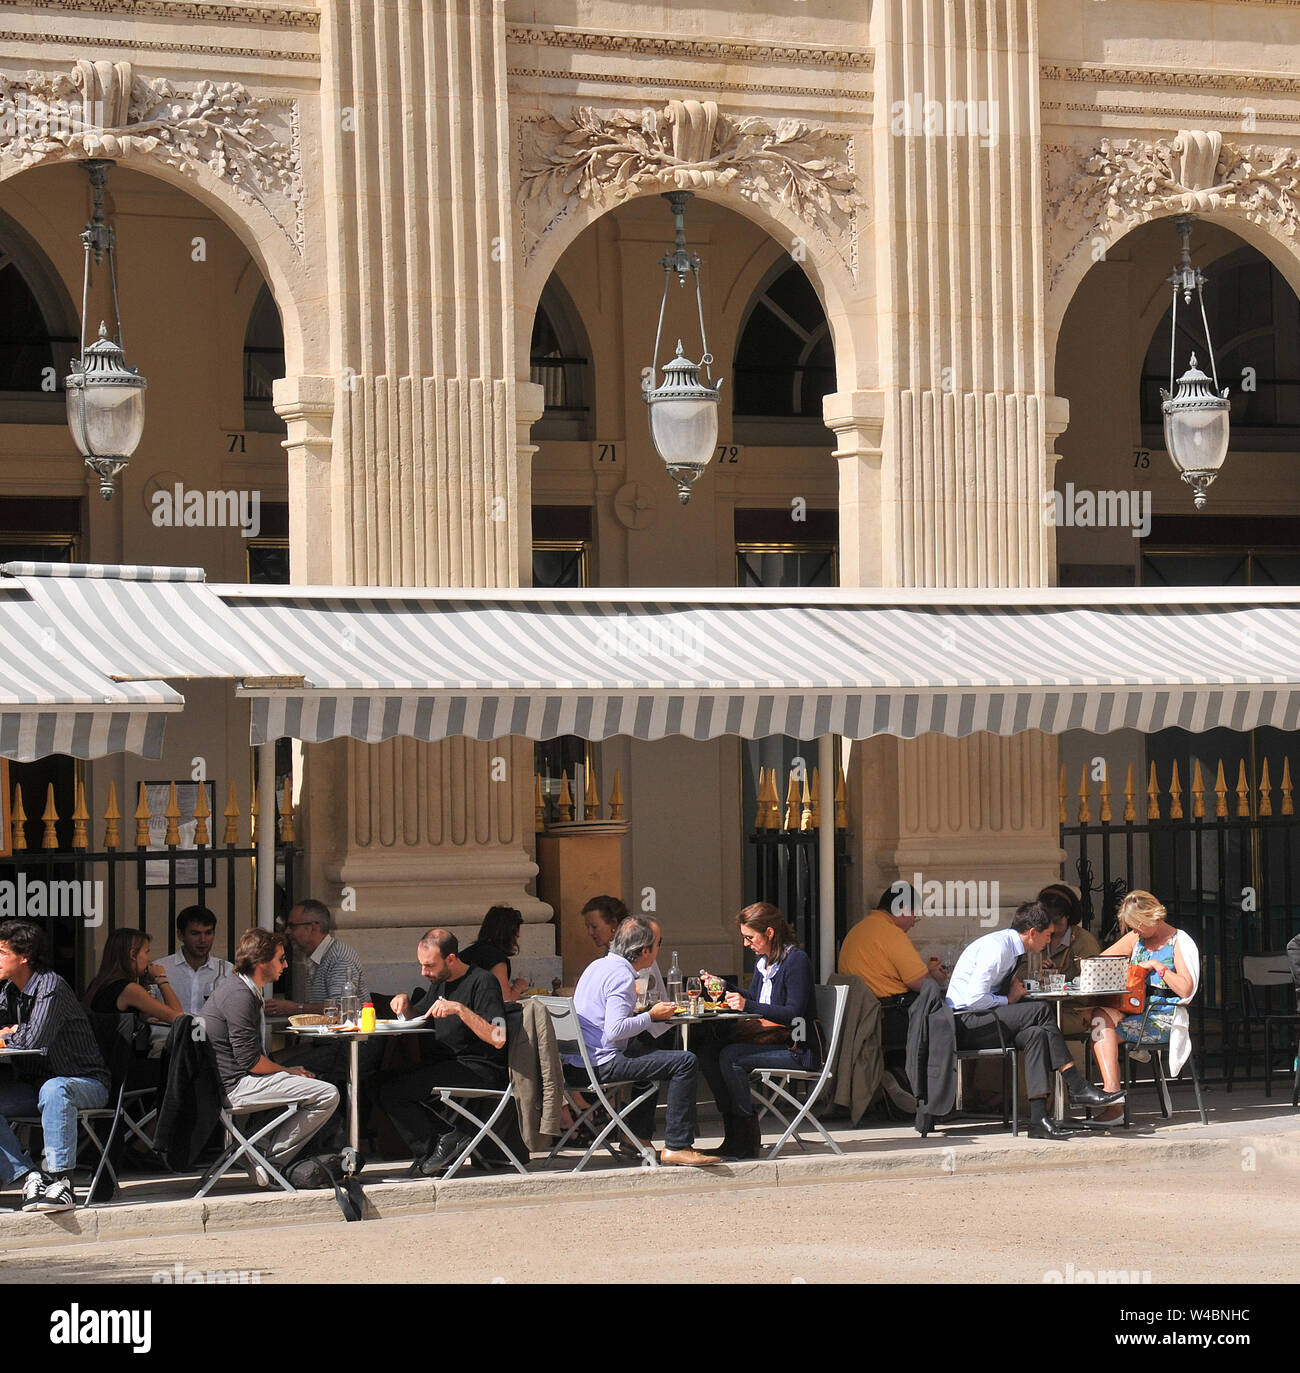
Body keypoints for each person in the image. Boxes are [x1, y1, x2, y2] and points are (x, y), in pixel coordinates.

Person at [945, 901, 1124, 1139]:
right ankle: (1077, 1085)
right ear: (1032, 933)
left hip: (985, 1020)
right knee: (1039, 1010)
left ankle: (1039, 1118)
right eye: (1047, 935)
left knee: (1037, 1035)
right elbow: (974, 999)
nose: (1049, 941)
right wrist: (1008, 1000)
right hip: (966, 1023)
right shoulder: (998, 948)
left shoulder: (1012, 949)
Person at [566, 916, 717, 1167]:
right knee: (686, 1062)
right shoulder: (622, 977)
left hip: (576, 1066)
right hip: (600, 1065)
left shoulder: (596, 966)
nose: (659, 950)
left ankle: (636, 1137)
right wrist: (651, 1016)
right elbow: (615, 1031)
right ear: (645, 951)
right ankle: (678, 1145)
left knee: (647, 1054)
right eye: (659, 944)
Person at [200, 928, 340, 1185]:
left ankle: (260, 1151)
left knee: (308, 1078)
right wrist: (287, 1072)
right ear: (261, 961)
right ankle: (271, 1160)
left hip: (233, 1081)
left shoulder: (242, 989)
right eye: (281, 959)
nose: (285, 965)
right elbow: (250, 1062)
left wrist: (287, 1071)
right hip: (234, 1087)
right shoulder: (240, 995)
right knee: (327, 1093)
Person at [379, 929, 510, 1175]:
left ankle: (443, 1142)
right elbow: (421, 1017)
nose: (424, 972)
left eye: (429, 966)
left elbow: (498, 1037)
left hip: (479, 1068)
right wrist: (406, 1006)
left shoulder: (482, 982)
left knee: (397, 1090)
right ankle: (438, 1146)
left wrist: (461, 1009)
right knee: (380, 1081)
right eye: (421, 965)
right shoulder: (439, 983)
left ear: (451, 959)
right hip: (446, 1063)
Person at [0, 920, 110, 1213]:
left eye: (1, 953)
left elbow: (32, 1040)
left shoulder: (51, 986)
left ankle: (62, 1183)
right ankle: (29, 1176)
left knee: (55, 1089)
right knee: (45, 1089)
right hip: (36, 1086)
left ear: (23, 957)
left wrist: (8, 1034)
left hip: (84, 1082)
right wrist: (7, 1033)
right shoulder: (9, 990)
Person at [698, 903, 820, 1160]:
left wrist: (747, 1005)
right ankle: (731, 1130)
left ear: (770, 933)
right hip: (770, 1039)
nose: (746, 944)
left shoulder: (795, 961)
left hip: (797, 1047)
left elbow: (793, 1013)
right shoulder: (763, 963)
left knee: (731, 1057)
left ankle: (746, 1134)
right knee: (708, 1052)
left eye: (749, 937)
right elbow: (755, 998)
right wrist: (725, 986)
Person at [1087, 891, 1198, 1127]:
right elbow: (1102, 962)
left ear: (1152, 918)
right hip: (1135, 1010)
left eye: (1137, 926)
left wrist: (1158, 967)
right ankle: (1113, 1097)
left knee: (1108, 1032)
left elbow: (1186, 989)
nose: (1134, 932)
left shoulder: (1178, 941)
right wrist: (1128, 970)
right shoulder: (1135, 939)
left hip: (1164, 1015)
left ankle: (1113, 1105)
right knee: (1099, 1018)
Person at [836, 882, 942, 1099]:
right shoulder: (891, 934)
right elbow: (920, 984)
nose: (914, 922)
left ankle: (898, 1077)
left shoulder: (859, 929)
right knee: (945, 1022)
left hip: (861, 1017)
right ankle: (935, 1098)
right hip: (888, 1017)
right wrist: (936, 977)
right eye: (914, 915)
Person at [264, 899, 369, 1017]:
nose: (287, 931)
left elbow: (341, 1009)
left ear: (313, 927)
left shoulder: (339, 958)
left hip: (346, 1034)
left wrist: (295, 1008)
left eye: (292, 926)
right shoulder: (316, 955)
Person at [83, 927, 185, 1031]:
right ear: (133, 955)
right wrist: (162, 979)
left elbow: (143, 1015)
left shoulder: (99, 982)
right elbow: (178, 1017)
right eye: (146, 952)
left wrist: (145, 985)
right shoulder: (129, 990)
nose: (149, 959)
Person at [155, 906, 232, 1017]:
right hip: (168, 1033)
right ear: (180, 935)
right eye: (195, 933)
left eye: (208, 933)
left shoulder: (227, 970)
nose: (203, 940)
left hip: (210, 1033)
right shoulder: (160, 968)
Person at [461, 905, 530, 1003]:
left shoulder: (472, 951)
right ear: (509, 933)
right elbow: (506, 999)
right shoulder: (494, 957)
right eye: (516, 933)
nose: (518, 936)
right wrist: (518, 987)